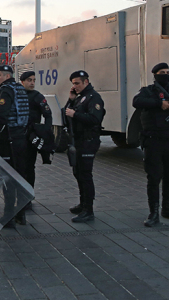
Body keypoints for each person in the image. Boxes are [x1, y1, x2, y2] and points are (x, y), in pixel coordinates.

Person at [132, 63, 169, 227]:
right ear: (155, 75)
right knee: (154, 177)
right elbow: (136, 101)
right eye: (162, 72)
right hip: (153, 140)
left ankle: (167, 208)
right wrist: (159, 103)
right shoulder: (148, 91)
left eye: (167, 72)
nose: (165, 75)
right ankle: (154, 212)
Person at [0, 65, 30, 227]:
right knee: (20, 175)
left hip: (8, 138)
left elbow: (2, 115)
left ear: (7, 76)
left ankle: (8, 215)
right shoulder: (20, 89)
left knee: (7, 177)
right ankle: (21, 214)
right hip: (21, 138)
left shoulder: (6, 90)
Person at [64, 70, 105, 223]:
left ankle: (89, 210)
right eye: (73, 84)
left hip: (88, 141)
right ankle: (83, 204)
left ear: (86, 82)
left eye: (77, 83)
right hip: (78, 141)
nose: (75, 86)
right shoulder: (80, 98)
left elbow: (95, 119)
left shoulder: (94, 98)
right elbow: (66, 115)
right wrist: (71, 100)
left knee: (85, 175)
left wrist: (75, 114)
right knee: (78, 173)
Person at [20, 71, 53, 190]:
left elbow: (48, 115)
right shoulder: (17, 95)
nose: (32, 83)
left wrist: (45, 131)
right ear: (22, 82)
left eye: (34, 80)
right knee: (19, 166)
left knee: (29, 166)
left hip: (31, 135)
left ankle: (29, 192)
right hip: (18, 135)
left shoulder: (37, 96)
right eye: (29, 80)